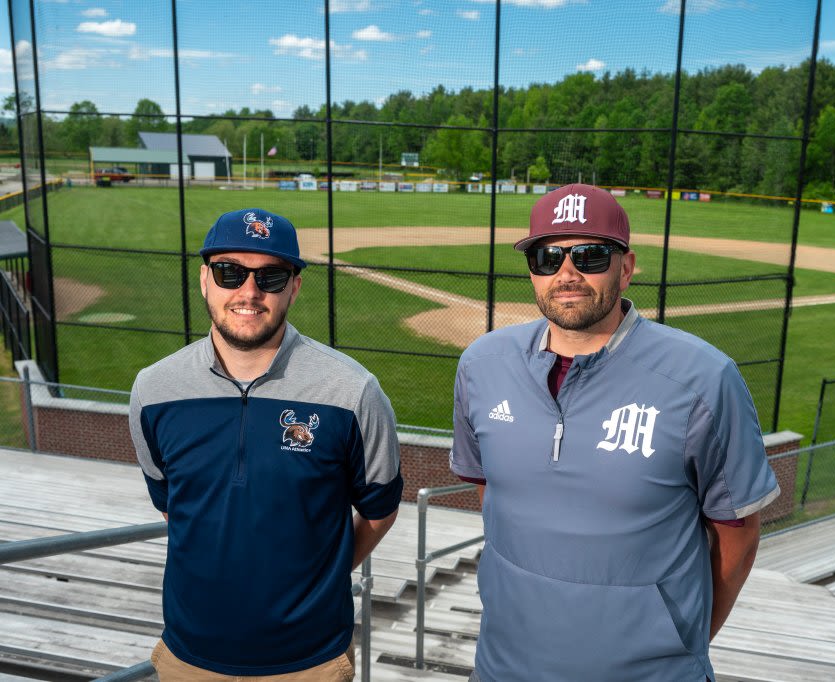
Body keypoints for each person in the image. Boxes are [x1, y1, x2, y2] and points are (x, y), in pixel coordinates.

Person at [449, 184, 779, 682]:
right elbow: (494, 494)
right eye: (547, 256)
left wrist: (679, 639)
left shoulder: (703, 379)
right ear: (532, 271)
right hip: (503, 667)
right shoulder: (482, 365)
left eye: (590, 255)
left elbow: (738, 532)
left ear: (626, 267)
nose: (567, 272)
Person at [129, 208, 403, 681]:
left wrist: (322, 573)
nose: (249, 292)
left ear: (294, 287)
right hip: (189, 659)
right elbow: (173, 506)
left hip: (310, 662)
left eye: (271, 277)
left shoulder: (352, 391)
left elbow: (379, 510)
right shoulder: (153, 390)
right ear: (204, 280)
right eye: (230, 272)